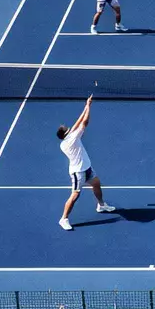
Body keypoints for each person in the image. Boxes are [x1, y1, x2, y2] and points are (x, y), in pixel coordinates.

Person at [55, 97, 115, 231]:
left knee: (97, 184)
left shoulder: (68, 138)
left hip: (87, 168)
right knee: (75, 195)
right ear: (66, 134)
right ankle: (63, 218)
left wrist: (86, 105)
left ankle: (101, 205)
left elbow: (77, 123)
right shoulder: (71, 141)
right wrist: (89, 108)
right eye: (68, 129)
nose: (70, 128)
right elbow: (85, 122)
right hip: (78, 172)